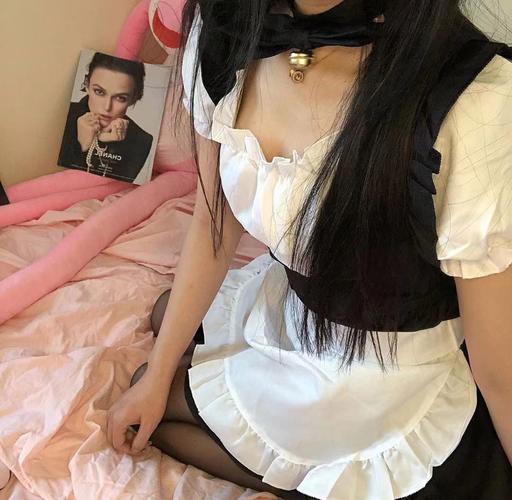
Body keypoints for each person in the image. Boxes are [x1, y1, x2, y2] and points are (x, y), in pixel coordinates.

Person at [106, 0, 512, 498]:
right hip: (296, 305)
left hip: (385, 368)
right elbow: (214, 223)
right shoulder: (224, 31)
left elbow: (498, 369)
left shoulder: (475, 103)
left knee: (165, 417)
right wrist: (157, 374)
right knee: (155, 353)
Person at [58, 52, 153, 183]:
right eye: (99, 92)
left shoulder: (140, 140)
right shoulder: (64, 114)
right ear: (86, 85)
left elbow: (112, 187)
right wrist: (82, 145)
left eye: (120, 98)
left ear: (134, 98)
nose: (107, 107)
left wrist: (104, 141)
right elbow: (57, 175)